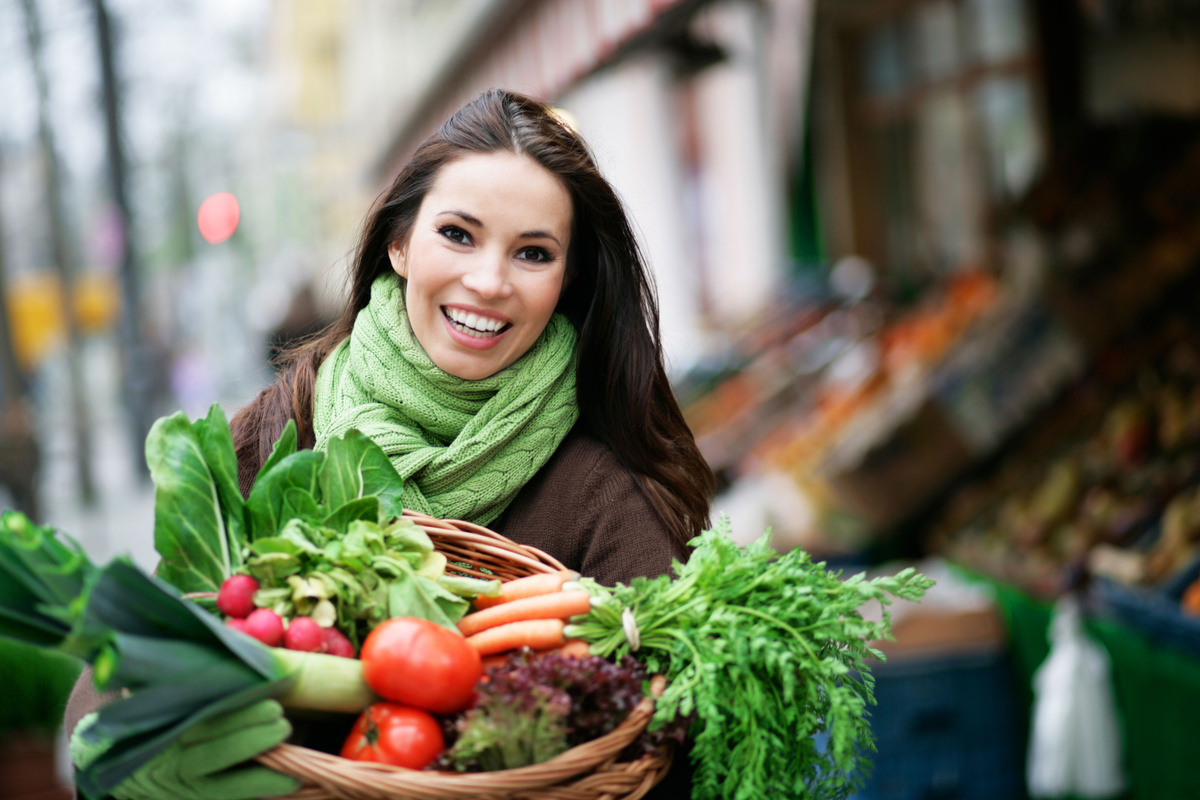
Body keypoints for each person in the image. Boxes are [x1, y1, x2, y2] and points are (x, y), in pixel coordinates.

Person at [65, 88, 713, 799]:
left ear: (568, 280)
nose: (488, 281)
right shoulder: (277, 431)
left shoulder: (604, 491)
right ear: (400, 243)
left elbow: (675, 744)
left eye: (533, 252)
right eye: (458, 235)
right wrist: (137, 755)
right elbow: (112, 684)